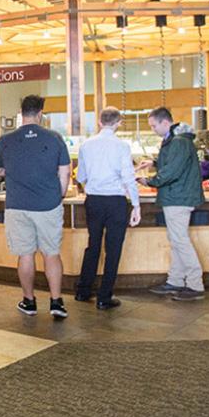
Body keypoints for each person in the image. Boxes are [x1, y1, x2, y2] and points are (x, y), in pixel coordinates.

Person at [0, 94, 71, 319]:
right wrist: (59, 195)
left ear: (21, 113)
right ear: (40, 114)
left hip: (17, 206)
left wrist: (13, 171)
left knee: (25, 255)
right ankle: (56, 302)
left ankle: (29, 301)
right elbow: (64, 172)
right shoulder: (54, 138)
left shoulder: (5, 140)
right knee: (51, 254)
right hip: (48, 205)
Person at [75, 108, 141, 310]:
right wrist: (136, 205)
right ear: (118, 123)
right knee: (113, 249)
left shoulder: (86, 145)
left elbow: (80, 177)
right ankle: (104, 297)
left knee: (93, 245)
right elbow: (129, 178)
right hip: (116, 202)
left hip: (93, 200)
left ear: (99, 122)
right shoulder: (122, 146)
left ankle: (83, 291)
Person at [137, 107, 205, 301]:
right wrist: (154, 162)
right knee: (177, 241)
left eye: (153, 125)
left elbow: (172, 171)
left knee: (180, 241)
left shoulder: (178, 142)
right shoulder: (177, 140)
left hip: (178, 197)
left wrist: (150, 181)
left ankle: (195, 284)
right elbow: (173, 163)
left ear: (165, 122)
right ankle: (175, 280)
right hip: (177, 196)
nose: (152, 129)